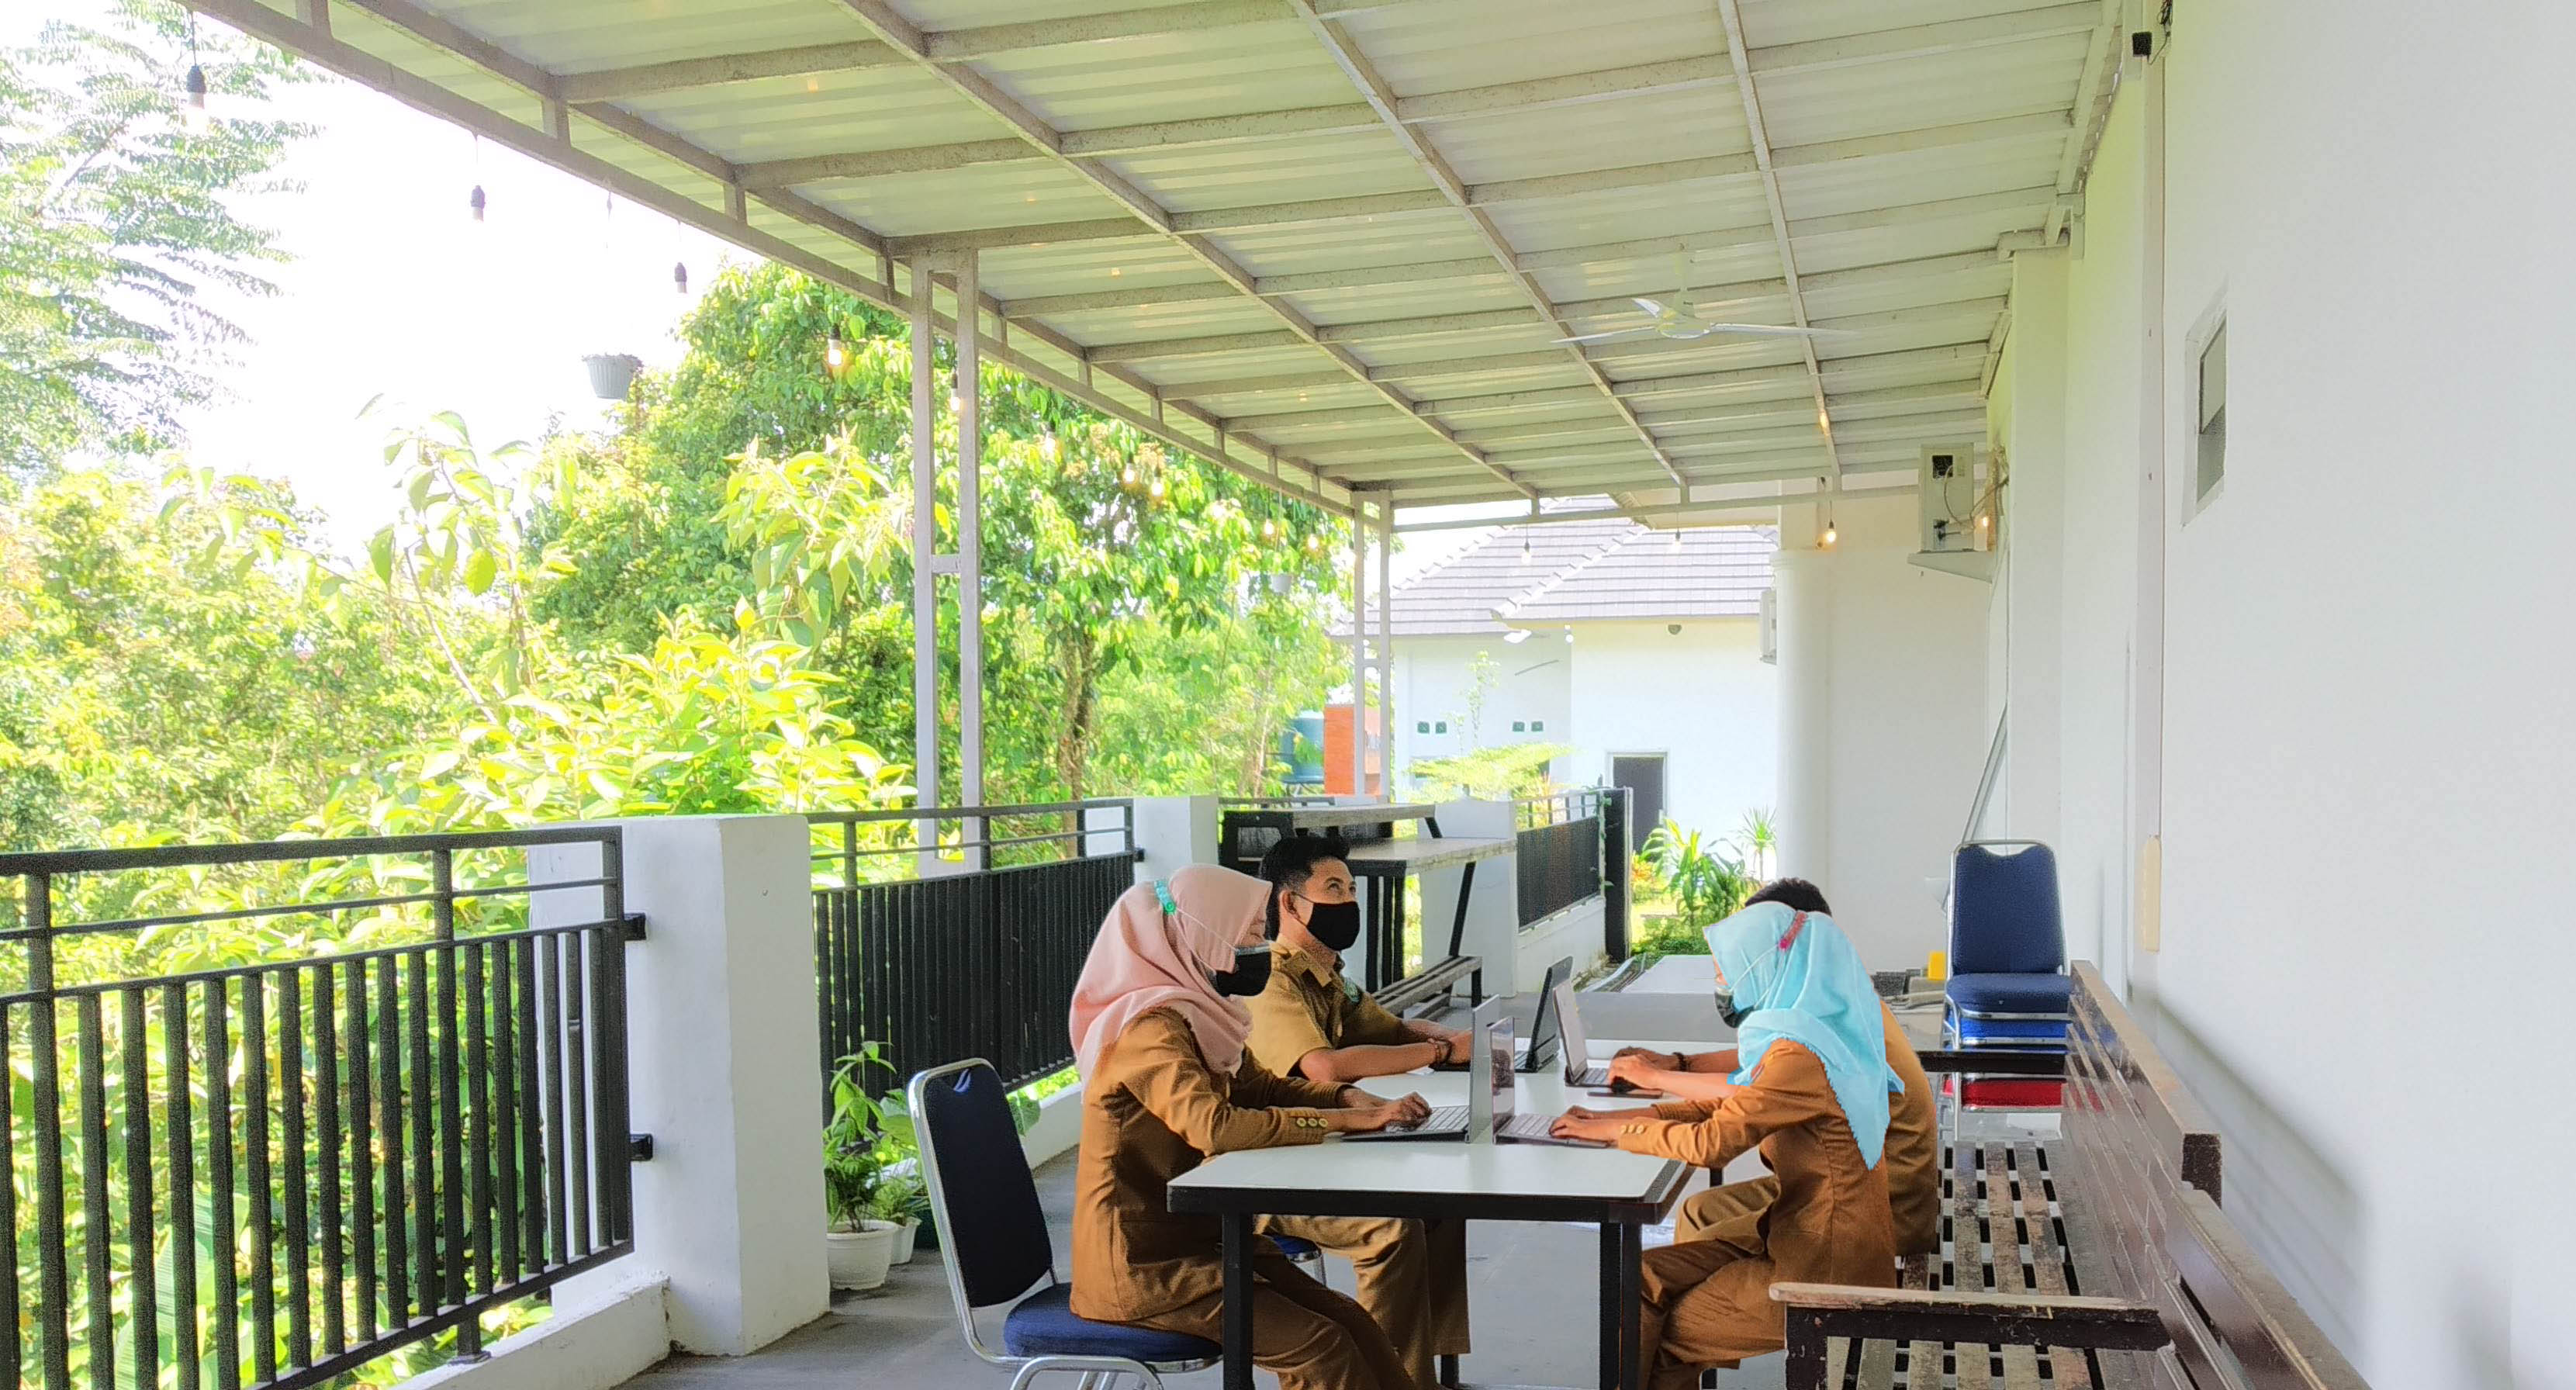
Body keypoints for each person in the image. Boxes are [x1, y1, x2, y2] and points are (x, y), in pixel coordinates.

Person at [1067, 864, 1428, 1390]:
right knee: (1319, 1348)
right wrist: (1345, 1119)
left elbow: (1261, 1088)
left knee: (1352, 1323)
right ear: (1201, 938)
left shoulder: (1203, 1016)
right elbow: (1214, 1127)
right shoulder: (1148, 1030)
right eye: (1249, 938)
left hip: (1208, 1240)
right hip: (1145, 1268)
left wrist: (1344, 1096)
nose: (1258, 950)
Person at [1550, 901, 1905, 1388]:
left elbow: (1713, 1143)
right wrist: (1610, 1118)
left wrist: (1618, 1132)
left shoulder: (1803, 1056)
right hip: (1792, 1236)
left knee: (1667, 1332)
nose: (1722, 984)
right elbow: (1723, 1105)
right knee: (1640, 1279)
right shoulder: (1812, 1033)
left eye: (1729, 971)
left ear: (1769, 970)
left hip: (1823, 1271)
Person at [1243, 833, 1473, 1389]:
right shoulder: (1271, 979)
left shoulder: (1328, 977)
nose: (1348, 902)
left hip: (1325, 1148)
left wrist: (1449, 1038)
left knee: (1441, 1205)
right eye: (1333, 889)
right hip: (1268, 1171)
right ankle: (1384, 1378)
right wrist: (1439, 1053)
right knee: (1391, 1226)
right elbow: (1322, 1067)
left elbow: (1391, 1030)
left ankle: (1424, 1372)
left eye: (1350, 889)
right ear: (1289, 902)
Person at [1605, 878, 1939, 1257]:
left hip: (1878, 1208)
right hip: (1846, 1185)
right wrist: (1682, 1064)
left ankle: (1717, 1293)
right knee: (1698, 1212)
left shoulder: (1831, 1020)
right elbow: (1768, 1060)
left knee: (1701, 1247)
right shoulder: (1837, 999)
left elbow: (1756, 1090)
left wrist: (1656, 1079)